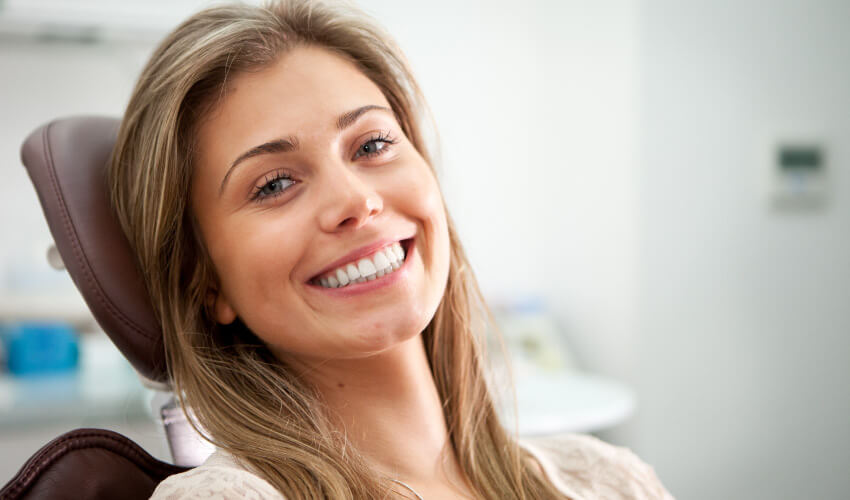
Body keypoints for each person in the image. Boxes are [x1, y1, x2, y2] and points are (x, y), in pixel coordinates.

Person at [107, 1, 674, 498]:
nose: (357, 200)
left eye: (373, 144)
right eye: (275, 184)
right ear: (205, 282)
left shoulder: (606, 479)